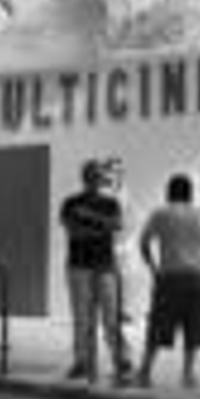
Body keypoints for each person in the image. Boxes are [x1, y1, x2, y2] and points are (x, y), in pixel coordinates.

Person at [137, 175, 200, 390]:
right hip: (196, 279)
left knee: (158, 326)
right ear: (190, 193)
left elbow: (143, 242)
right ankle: (188, 375)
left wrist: (153, 268)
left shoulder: (161, 214)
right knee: (193, 328)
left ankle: (145, 372)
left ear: (169, 192)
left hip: (169, 278)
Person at [59, 159, 132, 384]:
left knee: (111, 316)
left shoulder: (111, 203)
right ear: (84, 178)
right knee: (81, 317)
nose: (94, 179)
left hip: (105, 265)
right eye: (90, 175)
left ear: (100, 179)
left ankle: (121, 359)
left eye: (97, 175)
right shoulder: (70, 202)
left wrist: (88, 218)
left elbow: (117, 225)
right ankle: (81, 361)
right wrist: (101, 228)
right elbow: (73, 232)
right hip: (78, 265)